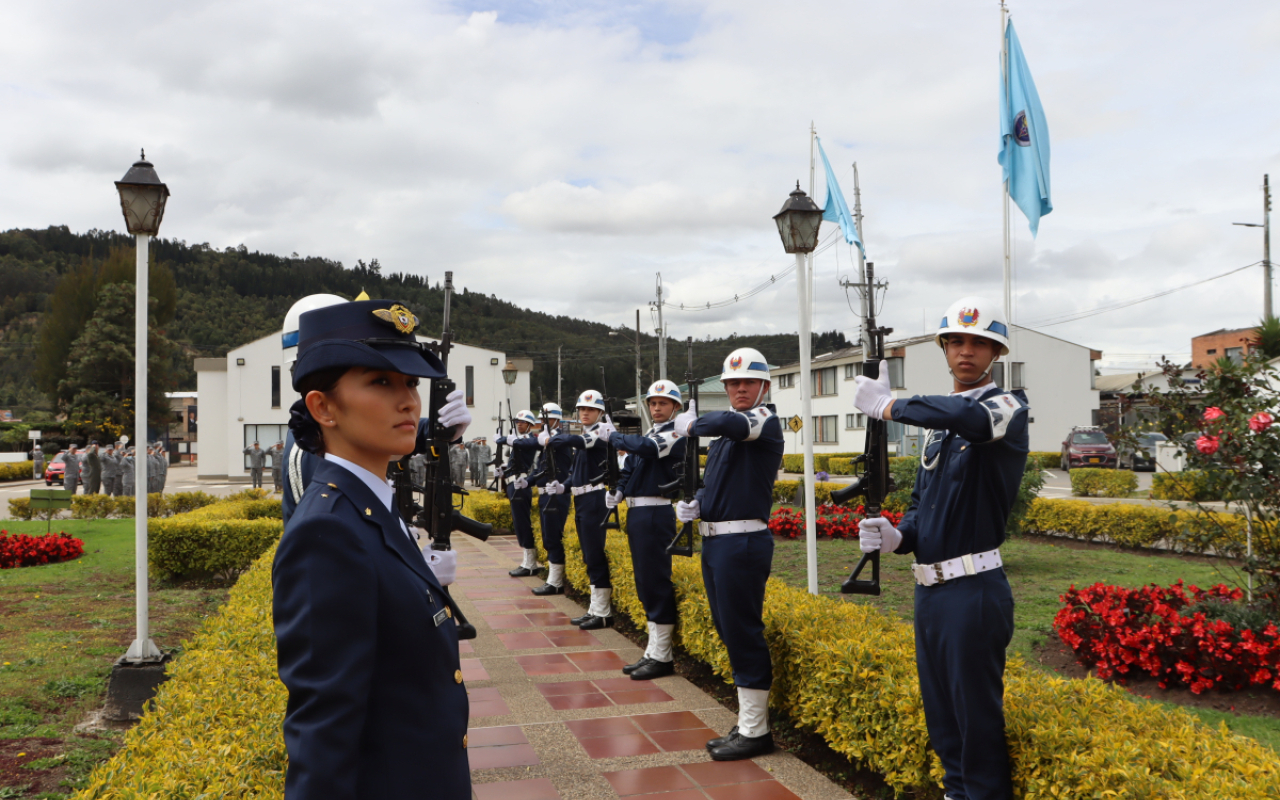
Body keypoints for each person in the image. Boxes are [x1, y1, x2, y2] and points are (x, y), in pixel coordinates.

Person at [273, 298, 473, 800]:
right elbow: (324, 732)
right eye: (380, 383)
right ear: (323, 407)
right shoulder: (329, 532)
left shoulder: (371, 502)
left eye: (409, 383)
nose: (408, 401)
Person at [853, 297, 1028, 800]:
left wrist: (890, 406)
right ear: (945, 349)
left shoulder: (1007, 408)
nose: (966, 351)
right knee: (945, 720)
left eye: (979, 343)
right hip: (931, 593)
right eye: (957, 341)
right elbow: (921, 502)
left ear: (995, 353)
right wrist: (899, 536)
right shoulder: (937, 428)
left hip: (974, 591)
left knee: (975, 722)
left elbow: (968, 418)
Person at [673, 347, 783, 761]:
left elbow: (721, 421)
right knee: (729, 629)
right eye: (732, 383)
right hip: (718, 541)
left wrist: (691, 423)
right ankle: (748, 721)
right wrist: (697, 503)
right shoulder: (726, 437)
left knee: (742, 631)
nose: (739, 389)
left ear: (764, 387)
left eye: (747, 382)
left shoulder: (761, 420)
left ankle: (757, 731)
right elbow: (715, 480)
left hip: (742, 543)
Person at [608, 379, 687, 679]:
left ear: (675, 408)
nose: (656, 408)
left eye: (662, 403)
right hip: (638, 512)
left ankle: (663, 655)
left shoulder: (674, 434)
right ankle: (653, 651)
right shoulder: (652, 434)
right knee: (644, 582)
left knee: (655, 582)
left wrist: (614, 437)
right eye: (652, 403)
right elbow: (630, 466)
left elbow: (645, 449)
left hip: (656, 512)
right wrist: (619, 490)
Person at [548, 391, 616, 629]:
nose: (584, 413)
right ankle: (595, 608)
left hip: (595, 500)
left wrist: (550, 439)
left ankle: (603, 611)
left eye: (590, 409)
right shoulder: (588, 433)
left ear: (600, 412)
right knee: (589, 554)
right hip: (582, 500)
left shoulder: (599, 433)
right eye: (581, 409)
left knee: (595, 554)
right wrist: (562, 487)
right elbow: (576, 473)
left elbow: (573, 441)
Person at [516, 402, 574, 596]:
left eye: (547, 420)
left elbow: (557, 464)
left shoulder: (560, 440)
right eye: (541, 420)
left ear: (557, 420)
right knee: (548, 535)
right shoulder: (547, 439)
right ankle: (553, 578)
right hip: (545, 495)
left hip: (556, 495)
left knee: (553, 536)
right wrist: (529, 480)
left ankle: (555, 581)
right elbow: (542, 469)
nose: (543, 423)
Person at [496, 410, 542, 577]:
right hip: (512, 483)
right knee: (518, 523)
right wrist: (503, 470)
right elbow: (514, 463)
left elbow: (522, 445)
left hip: (521, 485)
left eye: (523, 422)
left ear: (530, 425)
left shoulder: (530, 441)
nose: (519, 424)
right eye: (518, 422)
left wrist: (504, 439)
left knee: (523, 523)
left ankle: (530, 563)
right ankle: (526, 561)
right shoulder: (518, 441)